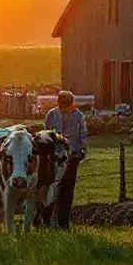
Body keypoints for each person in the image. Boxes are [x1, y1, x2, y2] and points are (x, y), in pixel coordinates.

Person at [44, 90, 87, 230]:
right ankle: (48, 222)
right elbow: (46, 135)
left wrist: (82, 151)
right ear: (59, 103)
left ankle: (64, 223)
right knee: (51, 191)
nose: (65, 107)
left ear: (71, 104)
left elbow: (83, 135)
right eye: (62, 104)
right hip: (54, 160)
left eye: (67, 104)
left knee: (67, 193)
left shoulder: (79, 116)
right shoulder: (51, 115)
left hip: (72, 159)